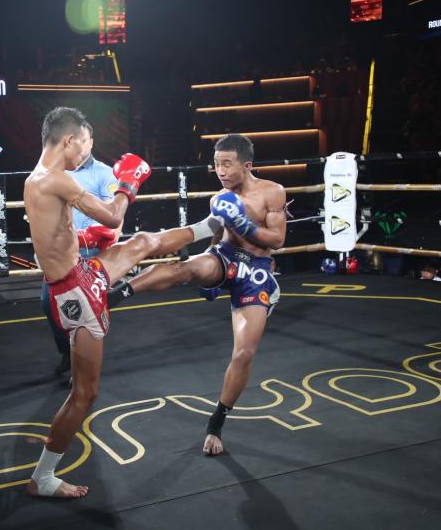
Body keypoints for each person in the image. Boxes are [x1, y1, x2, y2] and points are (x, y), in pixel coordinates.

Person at [24, 107, 225, 498]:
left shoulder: (36, 179)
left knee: (142, 242)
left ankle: (213, 225)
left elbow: (53, 235)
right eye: (84, 142)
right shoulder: (57, 179)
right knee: (85, 394)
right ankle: (42, 478)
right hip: (75, 294)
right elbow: (115, 215)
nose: (87, 150)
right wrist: (128, 182)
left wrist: (89, 238)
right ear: (69, 140)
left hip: (80, 273)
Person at [107, 133, 286, 457]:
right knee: (184, 268)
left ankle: (216, 423)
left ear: (247, 165)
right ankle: (115, 295)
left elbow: (277, 239)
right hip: (225, 257)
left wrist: (244, 225)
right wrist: (209, 269)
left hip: (256, 272)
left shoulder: (272, 192)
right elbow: (216, 236)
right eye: (217, 164)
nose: (221, 171)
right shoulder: (219, 199)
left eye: (227, 164)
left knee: (243, 354)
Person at [40, 121, 121, 375]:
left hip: (91, 251)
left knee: (85, 311)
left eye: (84, 140)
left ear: (91, 143)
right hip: (61, 254)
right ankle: (67, 353)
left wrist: (106, 237)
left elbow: (114, 215)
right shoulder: (55, 174)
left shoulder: (104, 173)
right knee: (48, 303)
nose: (79, 146)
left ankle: (81, 367)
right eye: (75, 140)